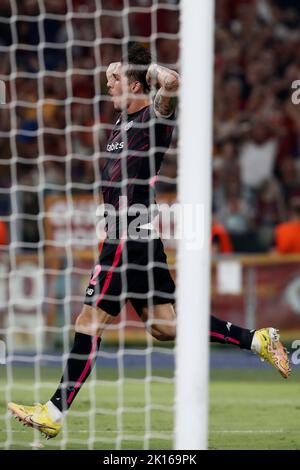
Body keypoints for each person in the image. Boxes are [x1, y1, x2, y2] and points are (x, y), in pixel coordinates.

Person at [8, 44, 290, 439]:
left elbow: (173, 81)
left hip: (127, 238)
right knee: (163, 325)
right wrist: (118, 71)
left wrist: (135, 66)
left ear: (138, 83)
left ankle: (54, 411)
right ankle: (258, 339)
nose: (110, 85)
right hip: (136, 235)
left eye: (117, 80)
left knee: (89, 322)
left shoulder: (154, 117)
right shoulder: (122, 123)